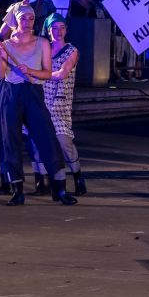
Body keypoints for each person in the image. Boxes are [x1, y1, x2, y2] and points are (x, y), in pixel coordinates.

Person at [0, 3, 76, 206]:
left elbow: (47, 73)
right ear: (16, 20)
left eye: (30, 19)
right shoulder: (7, 44)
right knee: (10, 141)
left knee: (47, 137)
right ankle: (17, 191)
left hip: (34, 92)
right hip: (10, 93)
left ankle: (60, 190)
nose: (27, 23)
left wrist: (30, 71)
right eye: (23, 19)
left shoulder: (43, 43)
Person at [24, 13, 87, 197]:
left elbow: (62, 73)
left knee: (63, 141)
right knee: (36, 143)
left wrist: (36, 73)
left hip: (60, 102)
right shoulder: (42, 48)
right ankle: (42, 182)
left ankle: (77, 177)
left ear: (66, 29)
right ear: (48, 30)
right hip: (40, 99)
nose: (58, 31)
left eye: (62, 27)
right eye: (54, 28)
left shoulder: (71, 50)